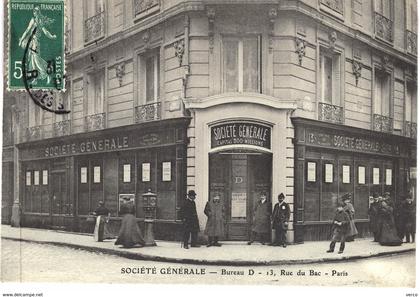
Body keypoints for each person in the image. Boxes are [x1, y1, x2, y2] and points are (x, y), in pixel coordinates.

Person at [18, 6, 57, 85]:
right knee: (32, 61)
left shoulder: (39, 21)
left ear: (38, 12)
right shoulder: (34, 20)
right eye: (35, 12)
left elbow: (45, 32)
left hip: (35, 42)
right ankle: (35, 79)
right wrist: (22, 39)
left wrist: (52, 36)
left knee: (36, 59)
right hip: (32, 42)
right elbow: (27, 30)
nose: (35, 13)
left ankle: (47, 73)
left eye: (36, 11)